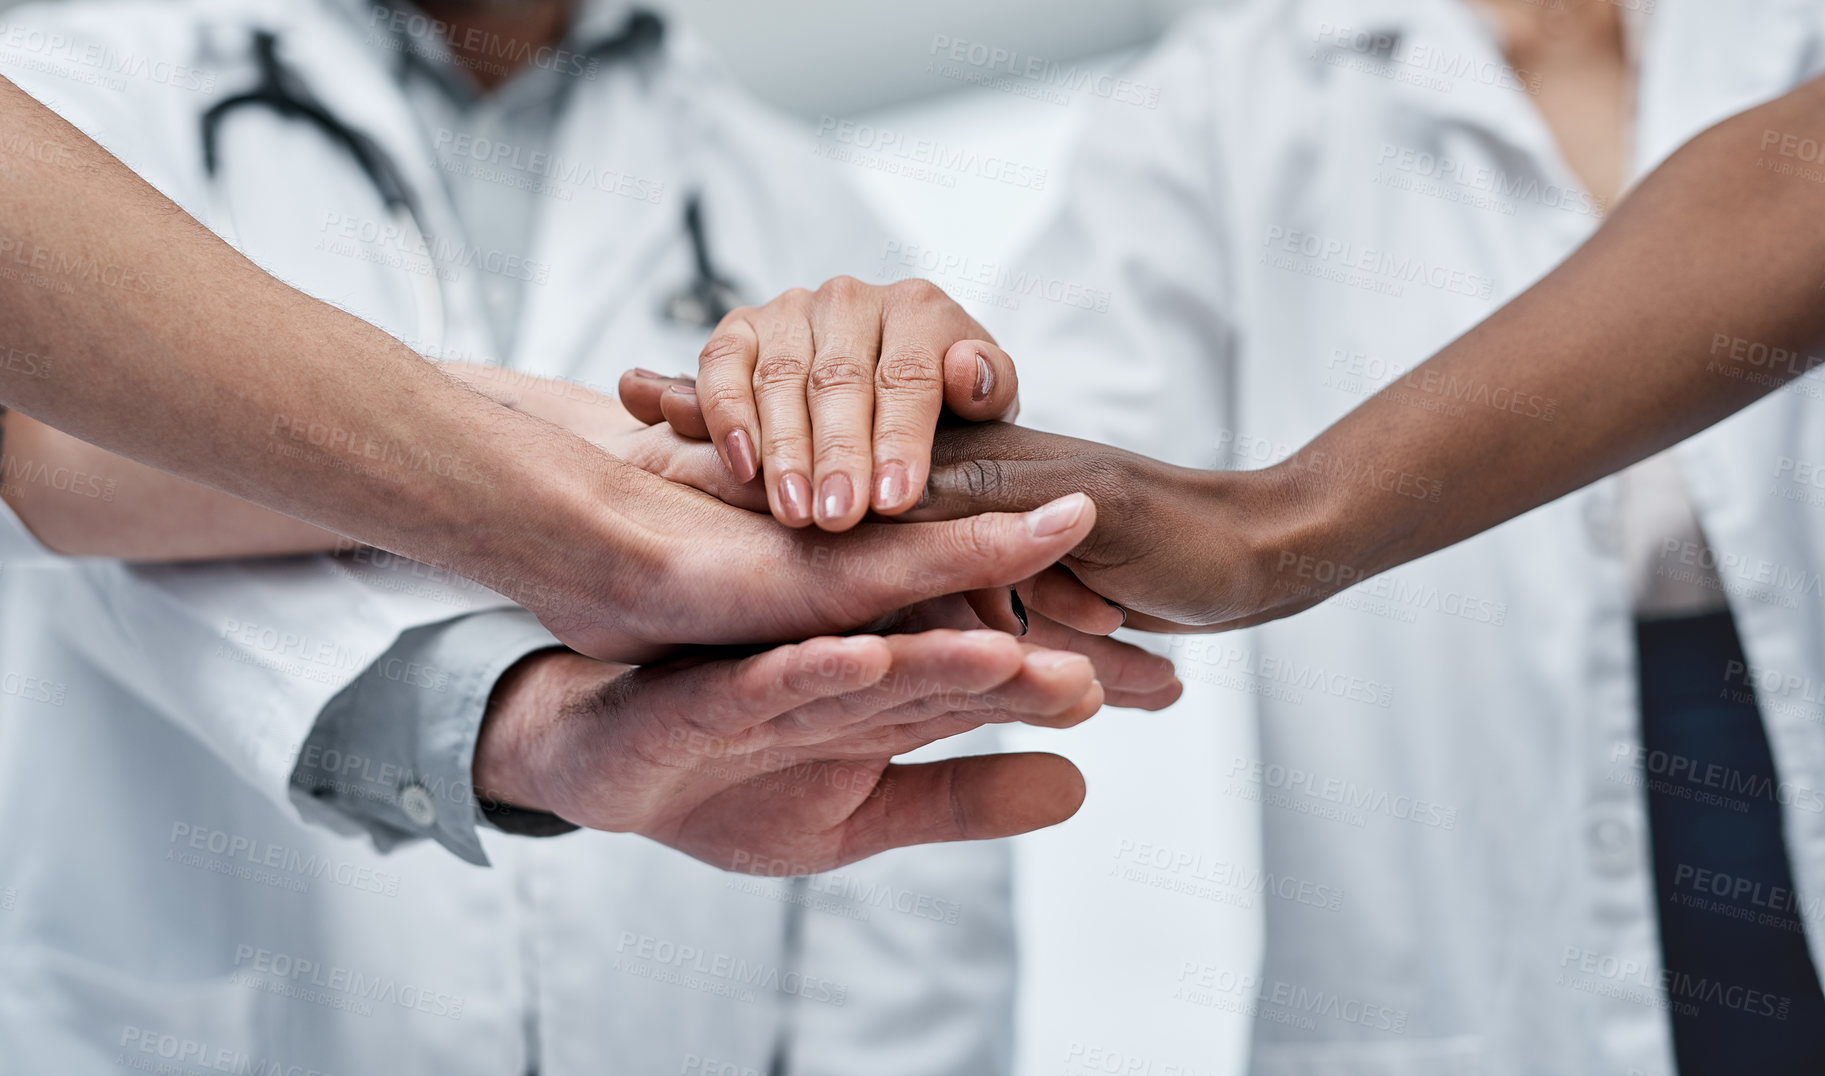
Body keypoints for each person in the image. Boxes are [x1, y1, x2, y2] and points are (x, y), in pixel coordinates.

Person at [0, 2, 1179, 1073]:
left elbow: (903, 756)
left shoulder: (786, 190)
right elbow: (7, 467)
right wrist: (596, 512)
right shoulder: (77, 85)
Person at [650, 1, 1825, 1071]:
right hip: (1471, 922)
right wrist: (889, 396)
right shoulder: (1227, 100)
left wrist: (1258, 526)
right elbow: (1065, 462)